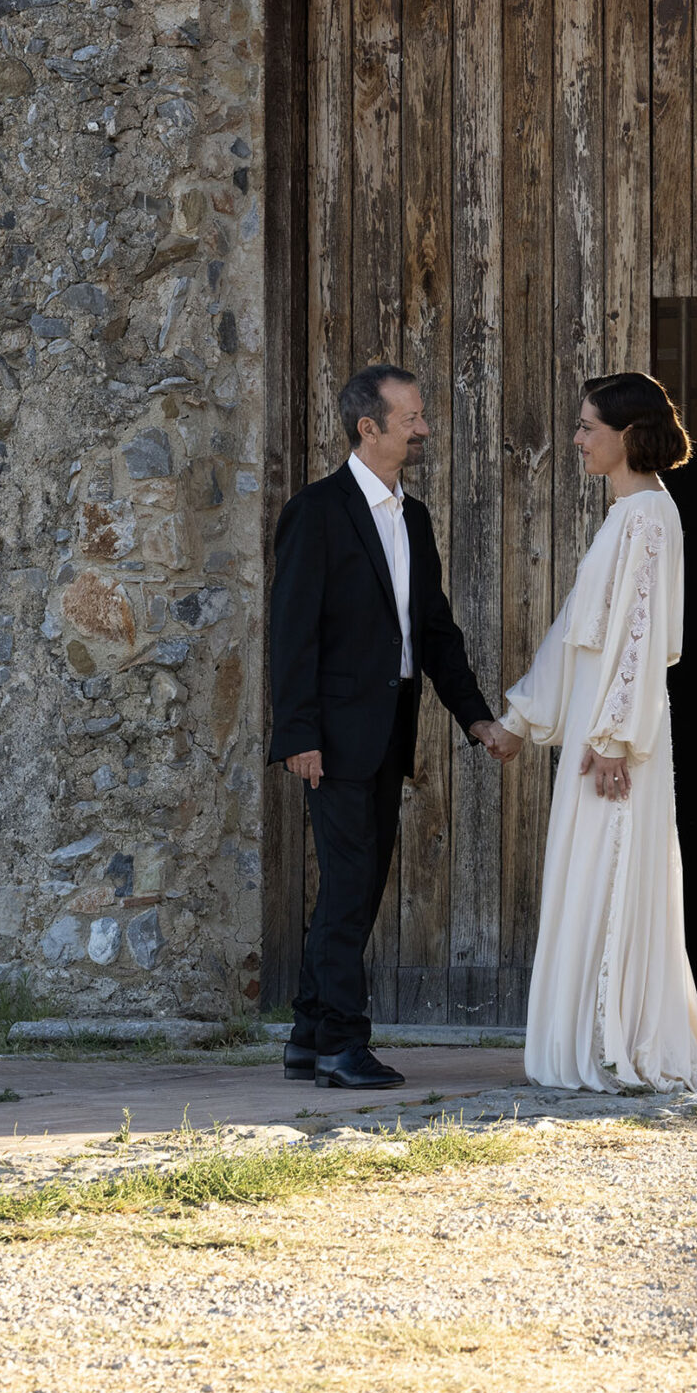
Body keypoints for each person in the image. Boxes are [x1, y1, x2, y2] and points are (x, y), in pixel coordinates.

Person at [267, 363, 521, 1090]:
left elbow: (434, 630)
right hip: (331, 737)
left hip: (387, 733)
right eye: (411, 418)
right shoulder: (316, 511)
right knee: (350, 887)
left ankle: (308, 1033)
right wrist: (298, 734)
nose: (424, 429)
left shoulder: (415, 517)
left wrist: (475, 715)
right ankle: (342, 1045)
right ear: (368, 427)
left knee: (358, 884)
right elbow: (292, 633)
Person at [495, 373, 697, 1092]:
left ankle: (610, 1038)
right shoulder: (626, 515)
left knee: (610, 869)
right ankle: (594, 1034)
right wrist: (521, 717)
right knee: (590, 869)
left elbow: (639, 638)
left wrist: (615, 738)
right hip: (600, 728)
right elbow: (578, 628)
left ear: (628, 435)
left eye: (588, 427)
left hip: (616, 739)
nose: (576, 439)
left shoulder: (648, 516)